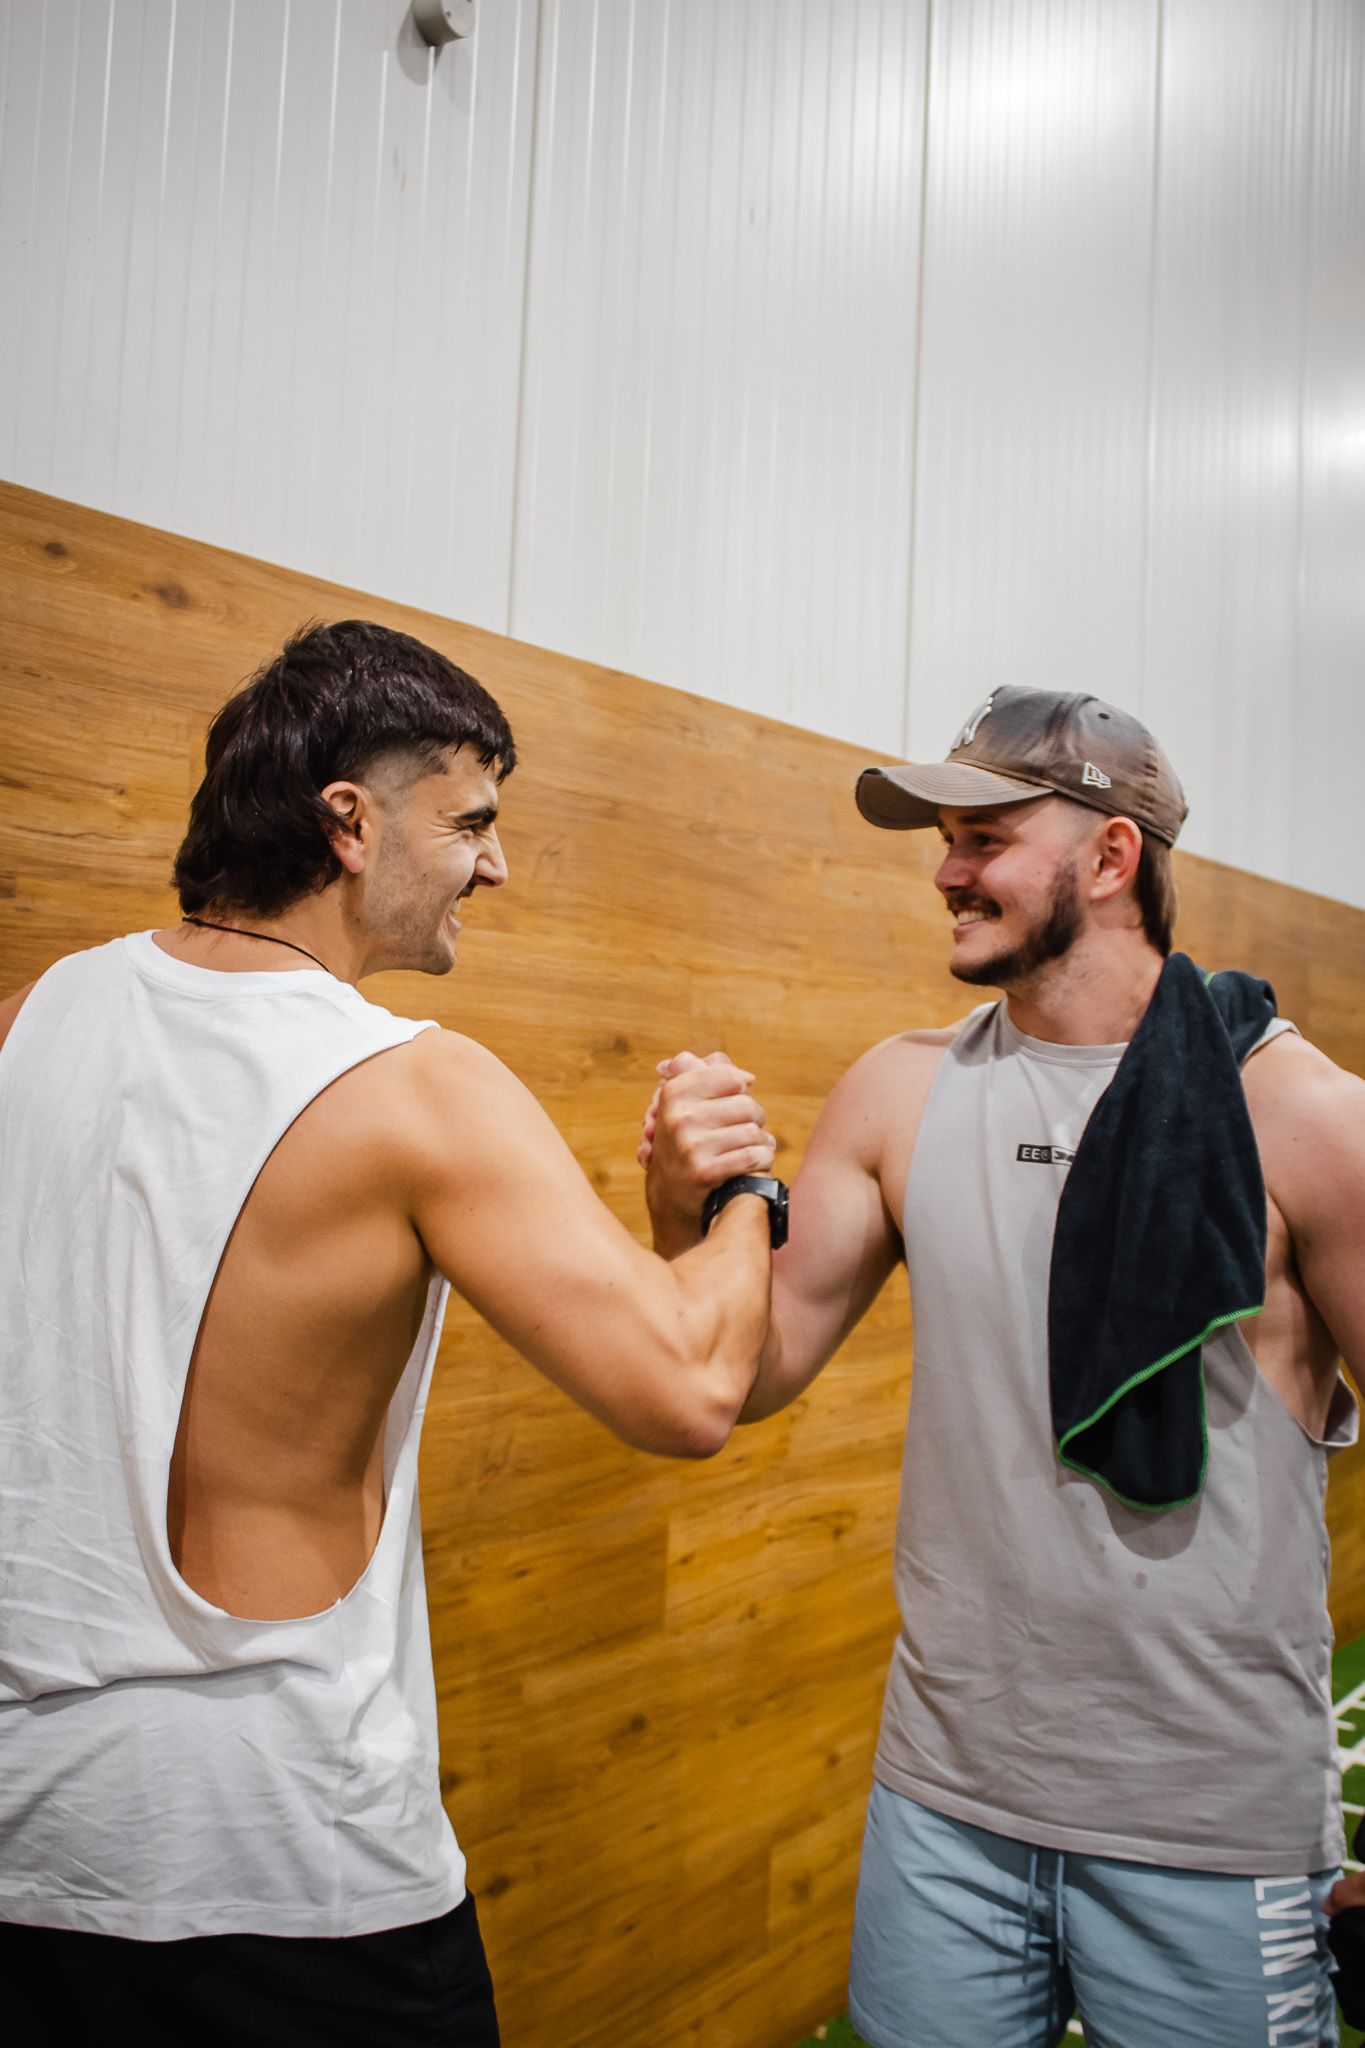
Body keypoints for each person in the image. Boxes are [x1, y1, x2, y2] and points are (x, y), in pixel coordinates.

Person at [0, 619, 784, 2046]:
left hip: (37, 1853)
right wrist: (734, 1193)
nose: (494, 864)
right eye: (472, 821)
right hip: (291, 1865)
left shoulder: (27, 1021)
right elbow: (686, 1387)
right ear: (348, 823)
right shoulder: (413, 1084)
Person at [641, 685, 1365, 2048]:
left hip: (1208, 1821)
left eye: (984, 835)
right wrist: (703, 1203)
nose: (945, 869)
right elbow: (745, 1370)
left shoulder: (1306, 1119)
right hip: (945, 1804)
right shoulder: (897, 1092)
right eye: (942, 835)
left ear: (1108, 858)